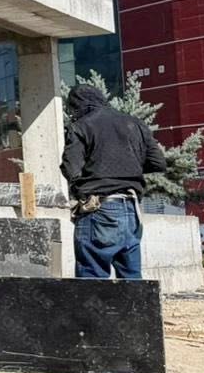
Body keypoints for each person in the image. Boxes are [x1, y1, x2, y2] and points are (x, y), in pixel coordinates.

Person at [61, 79, 167, 280]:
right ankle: (134, 312)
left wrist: (86, 183)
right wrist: (128, 167)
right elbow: (158, 162)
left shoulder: (81, 125)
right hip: (132, 209)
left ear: (77, 106)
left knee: (92, 278)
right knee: (131, 279)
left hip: (99, 209)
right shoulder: (135, 123)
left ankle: (95, 314)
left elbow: (71, 167)